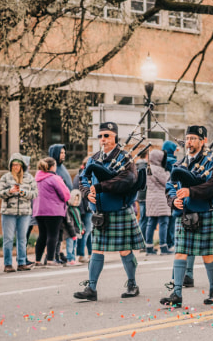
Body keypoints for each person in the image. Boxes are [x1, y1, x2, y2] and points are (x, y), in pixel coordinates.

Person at [160, 125, 213, 308]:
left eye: (193, 138)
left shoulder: (212, 162)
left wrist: (191, 191)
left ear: (203, 141)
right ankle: (176, 293)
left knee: (207, 255)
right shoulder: (179, 164)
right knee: (180, 253)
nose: (189, 142)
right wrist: (173, 199)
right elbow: (170, 186)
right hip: (185, 214)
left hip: (205, 213)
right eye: (188, 138)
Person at [74, 122, 145, 301]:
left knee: (124, 250)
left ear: (115, 137)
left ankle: (132, 284)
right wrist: (86, 193)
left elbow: (127, 180)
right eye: (100, 136)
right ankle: (91, 288)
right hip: (100, 212)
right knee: (97, 250)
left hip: (119, 209)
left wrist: (99, 187)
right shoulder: (94, 158)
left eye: (107, 135)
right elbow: (83, 179)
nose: (103, 139)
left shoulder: (125, 157)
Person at [0, 153, 38, 272]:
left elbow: (35, 194)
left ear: (22, 166)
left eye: (18, 165)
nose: (15, 167)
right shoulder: (5, 177)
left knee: (22, 238)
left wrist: (24, 192)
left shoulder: (29, 178)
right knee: (8, 238)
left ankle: (21, 262)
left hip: (24, 213)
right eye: (13, 165)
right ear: (10, 166)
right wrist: (9, 191)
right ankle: (8, 264)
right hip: (8, 212)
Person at [33, 157, 71, 267]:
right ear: (52, 166)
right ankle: (50, 260)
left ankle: (37, 261)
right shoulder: (55, 178)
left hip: (39, 211)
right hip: (53, 211)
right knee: (52, 235)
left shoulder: (36, 179)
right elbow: (66, 195)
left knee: (42, 235)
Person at [145, 149, 173, 255]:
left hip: (150, 198)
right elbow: (167, 182)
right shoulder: (159, 170)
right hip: (160, 198)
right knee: (163, 222)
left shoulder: (148, 168)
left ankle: (149, 247)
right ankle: (163, 246)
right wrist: (167, 172)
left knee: (151, 223)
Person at [48, 144, 72, 264]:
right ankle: (52, 256)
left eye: (64, 153)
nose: (63, 155)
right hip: (54, 206)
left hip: (64, 205)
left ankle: (58, 254)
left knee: (61, 233)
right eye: (61, 153)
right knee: (54, 233)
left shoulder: (62, 168)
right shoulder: (52, 170)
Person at [73, 157, 93, 263]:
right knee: (85, 231)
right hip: (85, 209)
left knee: (89, 232)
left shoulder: (85, 176)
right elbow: (78, 194)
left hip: (87, 208)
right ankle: (81, 254)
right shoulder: (80, 177)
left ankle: (91, 253)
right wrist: (82, 210)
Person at [162, 140, 178, 250]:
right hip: (171, 193)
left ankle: (167, 241)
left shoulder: (159, 161)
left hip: (159, 195)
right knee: (171, 221)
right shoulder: (173, 162)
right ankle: (171, 242)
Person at [64, 189, 84, 266]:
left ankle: (73, 259)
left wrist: (82, 228)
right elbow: (69, 222)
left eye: (77, 200)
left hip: (76, 232)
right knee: (70, 246)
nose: (75, 201)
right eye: (74, 200)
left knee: (74, 246)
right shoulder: (68, 209)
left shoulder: (77, 209)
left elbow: (80, 221)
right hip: (70, 233)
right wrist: (73, 234)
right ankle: (70, 259)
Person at [135, 150, 149, 242]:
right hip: (143, 195)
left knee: (142, 218)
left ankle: (140, 239)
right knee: (144, 219)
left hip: (140, 195)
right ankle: (141, 240)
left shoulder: (137, 164)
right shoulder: (143, 165)